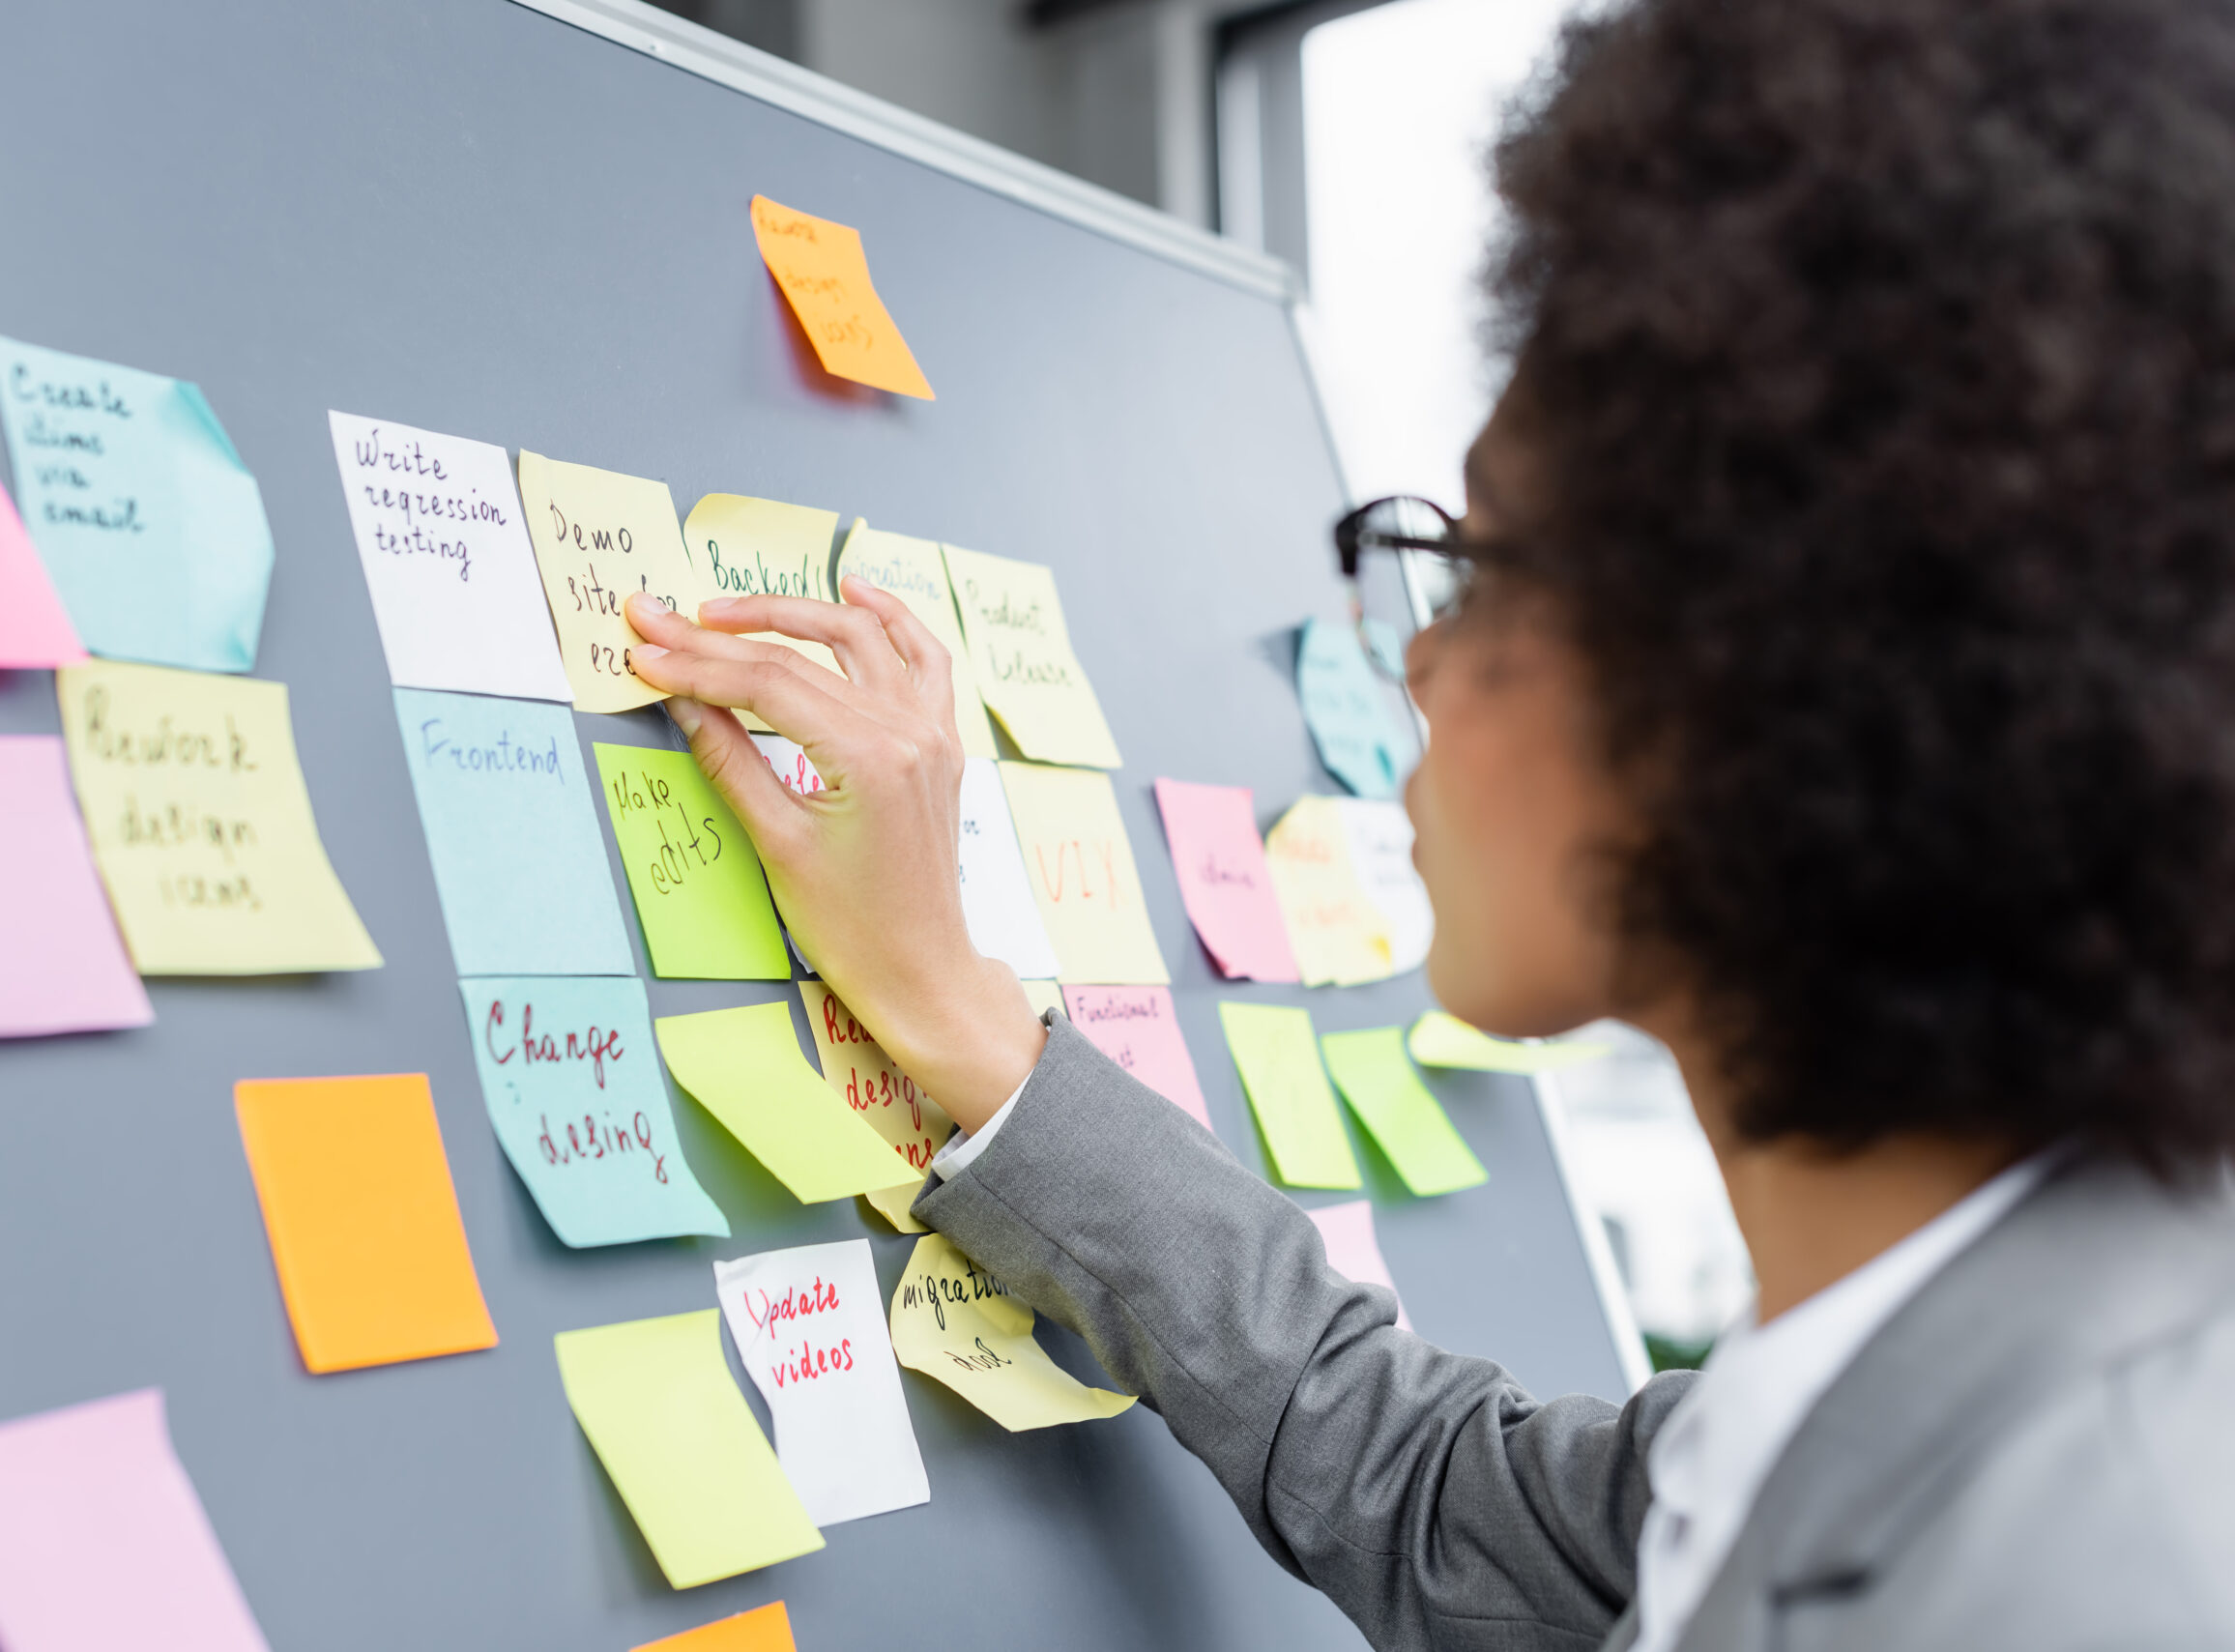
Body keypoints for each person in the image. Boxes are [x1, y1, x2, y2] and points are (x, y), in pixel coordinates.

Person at [624, 0, 2235, 1644]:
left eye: (1478, 566)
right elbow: (1430, 1491)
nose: (1411, 660)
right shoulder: (1908, 1379)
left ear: (1761, 665)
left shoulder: (2084, 1570)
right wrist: (961, 1012)